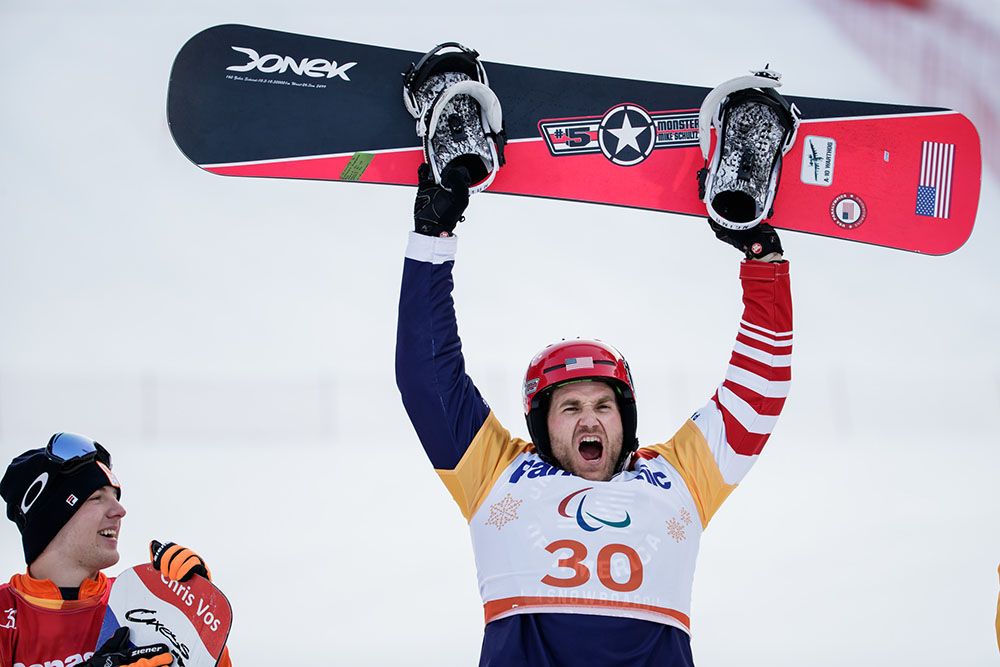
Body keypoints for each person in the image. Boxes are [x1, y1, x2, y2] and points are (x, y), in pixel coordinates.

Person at [396, 60, 794, 665]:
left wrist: (760, 253)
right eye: (572, 406)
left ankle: (743, 172)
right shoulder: (497, 475)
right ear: (541, 425)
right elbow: (426, 376)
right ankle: (454, 137)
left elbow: (756, 393)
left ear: (625, 420)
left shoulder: (677, 482)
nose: (591, 420)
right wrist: (435, 224)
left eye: (604, 405)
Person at [0, 432, 231, 667]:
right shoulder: (4, 613)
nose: (119, 510)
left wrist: (196, 622)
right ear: (51, 518)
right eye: (97, 497)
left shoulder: (136, 601)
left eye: (116, 497)